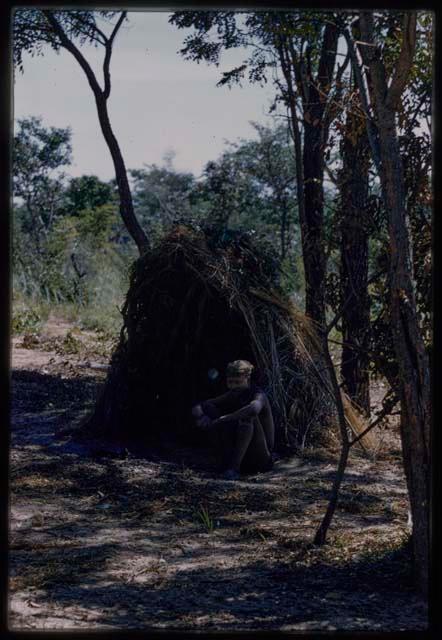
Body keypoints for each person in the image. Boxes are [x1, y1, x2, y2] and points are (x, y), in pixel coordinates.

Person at [192, 360, 275, 480]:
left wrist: (224, 419)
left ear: (247, 377)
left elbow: (253, 409)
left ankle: (234, 468)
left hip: (261, 459)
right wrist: (202, 415)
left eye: (237, 382)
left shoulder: (258, 394)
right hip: (243, 457)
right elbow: (204, 404)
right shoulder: (233, 393)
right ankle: (224, 462)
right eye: (230, 382)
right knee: (210, 409)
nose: (233, 386)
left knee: (246, 416)